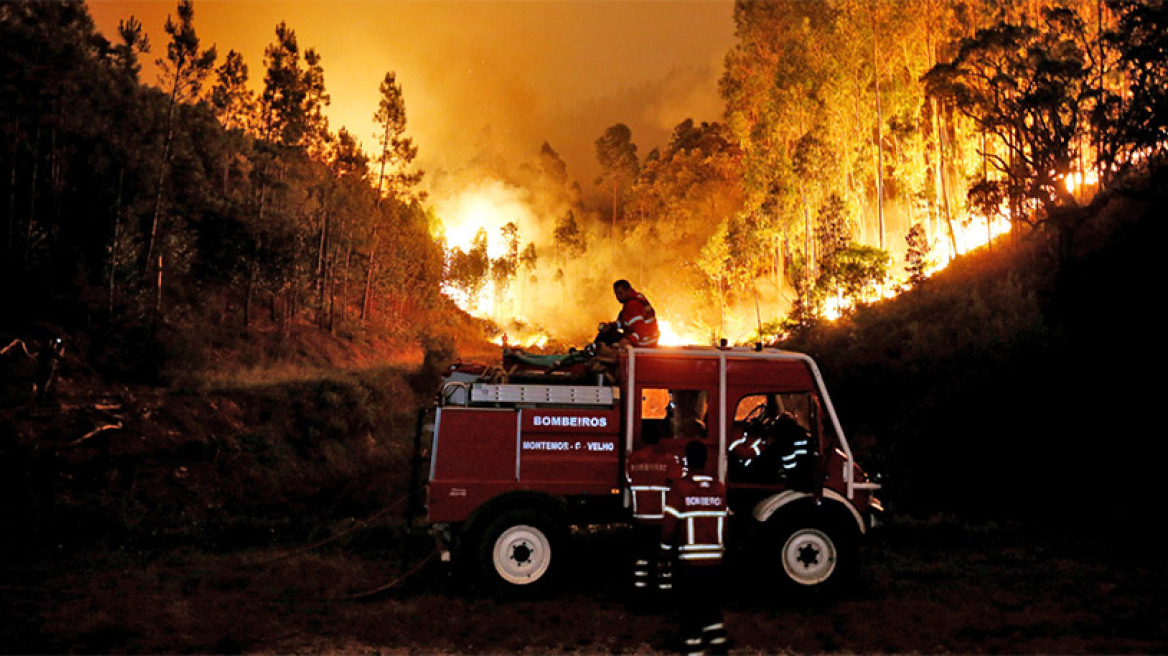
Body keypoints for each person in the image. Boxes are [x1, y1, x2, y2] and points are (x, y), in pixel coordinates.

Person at [662, 441, 730, 655]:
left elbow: (669, 526)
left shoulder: (680, 489)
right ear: (706, 460)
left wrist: (664, 550)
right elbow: (725, 523)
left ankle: (693, 648)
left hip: (689, 563)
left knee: (689, 610)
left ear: (687, 461)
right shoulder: (719, 489)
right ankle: (719, 645)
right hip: (715, 561)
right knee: (711, 607)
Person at [627, 427, 683, 602]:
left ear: (642, 439)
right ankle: (664, 596)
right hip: (661, 519)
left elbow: (628, 479)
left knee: (642, 559)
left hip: (640, 518)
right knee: (663, 558)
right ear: (660, 440)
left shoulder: (633, 459)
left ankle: (640, 596)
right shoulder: (668, 460)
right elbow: (678, 479)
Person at [599, 279, 659, 348]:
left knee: (606, 336)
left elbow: (640, 329)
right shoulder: (637, 298)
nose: (618, 297)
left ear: (628, 291)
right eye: (616, 294)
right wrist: (612, 326)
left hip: (644, 342)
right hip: (650, 340)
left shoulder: (633, 305)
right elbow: (627, 322)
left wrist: (629, 340)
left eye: (620, 293)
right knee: (609, 333)